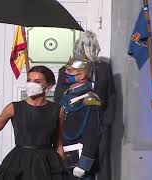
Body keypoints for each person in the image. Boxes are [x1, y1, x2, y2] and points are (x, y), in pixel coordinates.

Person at [0, 66, 65, 180]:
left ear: (49, 86)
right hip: (19, 163)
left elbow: (58, 145)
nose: (31, 84)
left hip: (47, 164)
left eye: (37, 81)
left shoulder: (58, 110)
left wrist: (63, 169)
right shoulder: (13, 107)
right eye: (29, 80)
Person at [54, 31, 116, 180]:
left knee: (100, 162)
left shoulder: (105, 69)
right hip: (74, 126)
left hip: (99, 124)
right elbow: (59, 99)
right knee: (72, 166)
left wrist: (106, 122)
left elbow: (111, 97)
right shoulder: (66, 70)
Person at [60, 57, 102, 180]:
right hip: (63, 155)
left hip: (78, 157)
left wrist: (84, 164)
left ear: (82, 74)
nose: (65, 73)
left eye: (70, 71)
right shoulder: (67, 94)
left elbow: (93, 133)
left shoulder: (90, 99)